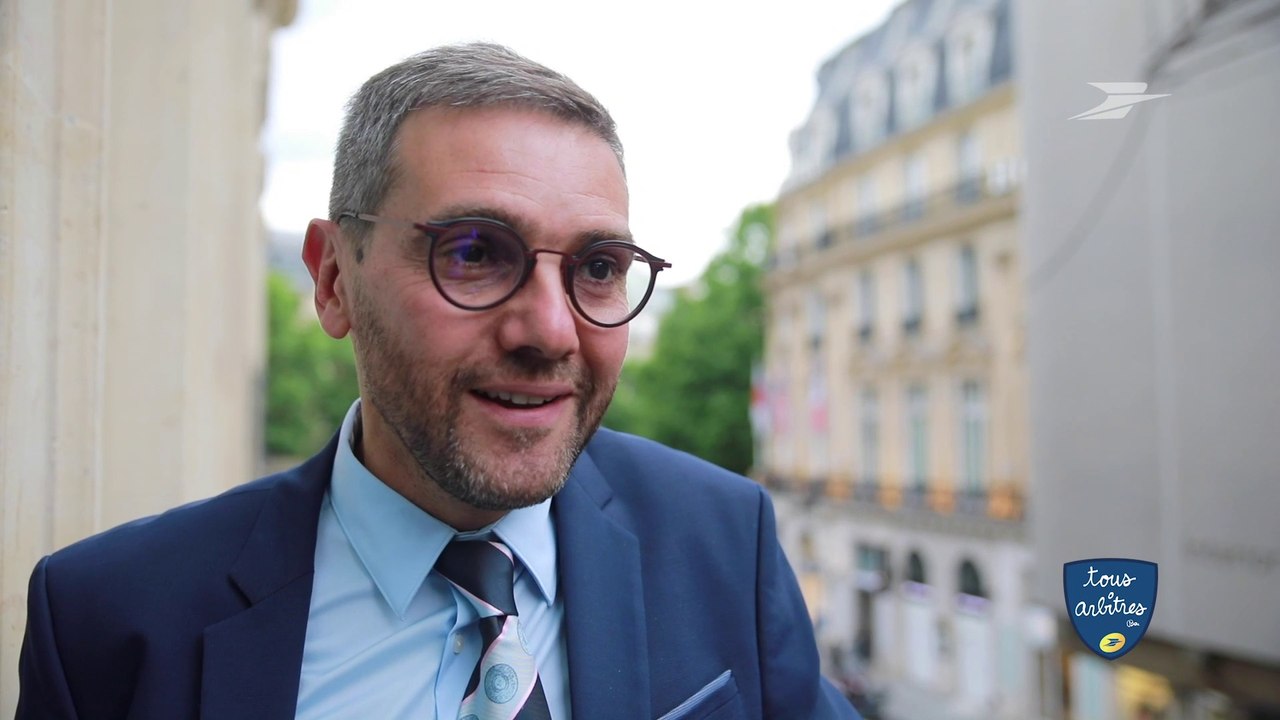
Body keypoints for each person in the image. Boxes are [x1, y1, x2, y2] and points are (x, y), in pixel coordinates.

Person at [16, 43, 858, 720]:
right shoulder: (111, 619)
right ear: (335, 279)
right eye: (474, 254)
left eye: (598, 267)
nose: (551, 332)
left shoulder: (720, 540)